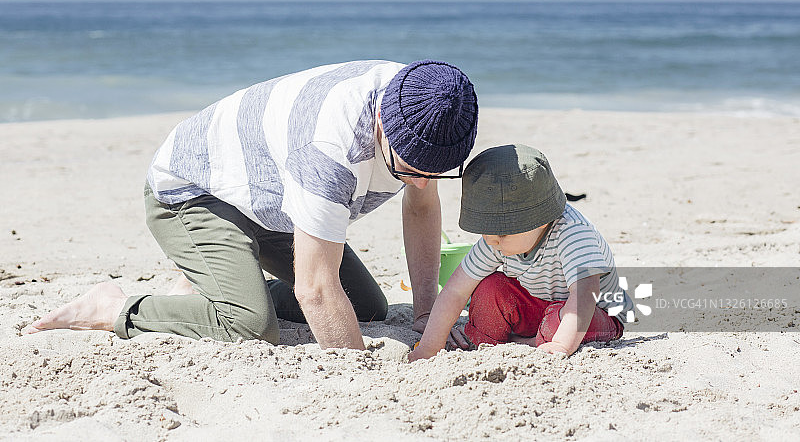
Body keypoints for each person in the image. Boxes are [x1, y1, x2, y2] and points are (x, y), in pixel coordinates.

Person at [25, 59, 479, 350]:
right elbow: (315, 291)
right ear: (384, 122)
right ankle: (113, 307)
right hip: (192, 191)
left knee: (368, 308)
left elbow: (421, 204)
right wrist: (356, 373)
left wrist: (424, 311)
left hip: (272, 199)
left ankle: (221, 284)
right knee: (251, 325)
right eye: (409, 169)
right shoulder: (329, 150)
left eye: (435, 172)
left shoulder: (428, 100)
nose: (421, 181)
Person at [409, 144, 630, 361]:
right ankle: (495, 343)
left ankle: (528, 343)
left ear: (541, 221)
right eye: (484, 229)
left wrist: (561, 345)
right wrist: (429, 347)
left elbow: (585, 295)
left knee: (558, 321)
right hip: (537, 304)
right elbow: (455, 292)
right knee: (489, 288)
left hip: (593, 313)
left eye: (502, 234)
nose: (490, 239)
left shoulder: (573, 233)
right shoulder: (496, 239)